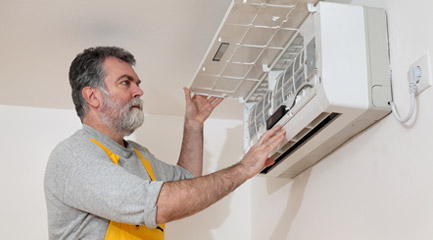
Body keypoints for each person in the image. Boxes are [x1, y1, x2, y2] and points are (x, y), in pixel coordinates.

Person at [44, 46, 286, 240]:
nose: (139, 91)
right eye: (126, 83)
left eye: (138, 84)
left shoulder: (139, 156)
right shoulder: (74, 156)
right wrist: (243, 169)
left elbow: (188, 184)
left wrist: (194, 125)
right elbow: (158, 204)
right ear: (93, 96)